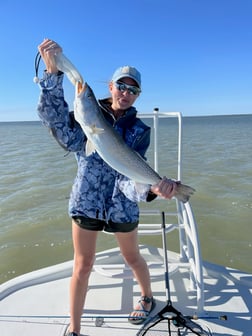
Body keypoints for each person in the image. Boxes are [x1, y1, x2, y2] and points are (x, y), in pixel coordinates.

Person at [37, 38, 177, 336]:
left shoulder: (140, 130)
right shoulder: (87, 116)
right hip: (86, 201)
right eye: (121, 86)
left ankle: (147, 297)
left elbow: (130, 176)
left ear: (137, 95)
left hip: (122, 205)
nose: (126, 93)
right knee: (83, 265)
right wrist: (52, 77)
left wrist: (152, 189)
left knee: (133, 257)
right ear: (111, 86)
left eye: (133, 90)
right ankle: (74, 330)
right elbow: (59, 126)